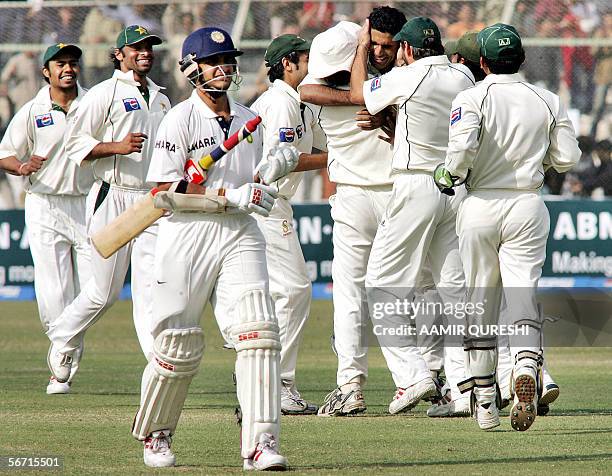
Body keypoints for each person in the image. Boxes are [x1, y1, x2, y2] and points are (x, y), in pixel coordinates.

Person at [131, 27, 298, 469]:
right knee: (177, 344)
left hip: (240, 232)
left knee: (259, 334)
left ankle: (261, 444)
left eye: (228, 60)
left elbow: (265, 169)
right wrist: (226, 198)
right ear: (192, 69)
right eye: (214, 61)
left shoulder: (248, 118)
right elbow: (166, 195)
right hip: (187, 233)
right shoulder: (179, 120)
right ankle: (157, 434)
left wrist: (273, 168)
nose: (224, 68)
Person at [434, 23, 580, 431]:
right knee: (522, 296)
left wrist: (449, 173)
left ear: (482, 62)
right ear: (522, 59)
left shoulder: (471, 96)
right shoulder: (547, 99)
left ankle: (484, 403)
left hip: (480, 202)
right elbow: (567, 156)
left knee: (479, 302)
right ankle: (525, 369)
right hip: (528, 203)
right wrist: (540, 159)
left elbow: (461, 148)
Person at [349, 16, 475, 414]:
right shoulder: (461, 78)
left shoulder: (409, 75)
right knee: (453, 290)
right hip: (455, 188)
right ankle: (463, 389)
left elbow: (358, 94)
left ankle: (411, 376)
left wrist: (360, 47)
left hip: (416, 184)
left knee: (381, 283)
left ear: (405, 49)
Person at [46, 26, 171, 379]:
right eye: (136, 48)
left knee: (151, 289)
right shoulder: (104, 94)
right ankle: (62, 337)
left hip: (151, 201)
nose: (145, 52)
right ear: (119, 54)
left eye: (149, 47)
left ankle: (157, 367)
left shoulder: (161, 98)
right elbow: (74, 144)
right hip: (112, 195)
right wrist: (117, 147)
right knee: (103, 293)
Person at [298, 6, 405, 416]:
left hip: (400, 189)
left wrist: (386, 113)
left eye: (387, 47)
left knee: (410, 291)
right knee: (350, 294)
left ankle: (428, 379)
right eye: (373, 43)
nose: (380, 52)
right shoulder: (338, 41)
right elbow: (308, 90)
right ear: (364, 33)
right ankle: (351, 385)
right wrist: (360, 100)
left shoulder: (411, 55)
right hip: (354, 190)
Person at [0, 43, 94, 394]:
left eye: (72, 63)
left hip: (86, 203)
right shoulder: (33, 110)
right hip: (44, 203)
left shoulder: (92, 104)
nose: (67, 68)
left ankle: (63, 354)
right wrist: (22, 167)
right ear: (46, 71)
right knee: (54, 292)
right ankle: (61, 370)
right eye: (60, 64)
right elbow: (5, 154)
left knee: (93, 292)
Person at [251, 34, 327, 415]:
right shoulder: (279, 103)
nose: (311, 63)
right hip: (264, 205)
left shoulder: (299, 103)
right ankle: (277, 383)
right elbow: (288, 161)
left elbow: (318, 147)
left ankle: (264, 375)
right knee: (295, 290)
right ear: (287, 64)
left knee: (280, 293)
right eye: (305, 57)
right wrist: (336, 161)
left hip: (277, 205)